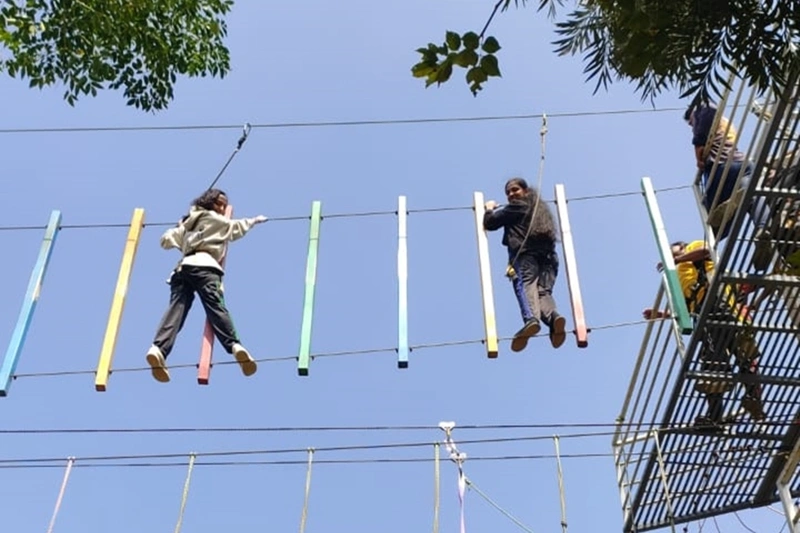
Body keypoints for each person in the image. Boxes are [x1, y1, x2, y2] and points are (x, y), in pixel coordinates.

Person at [145, 188, 268, 383]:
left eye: (224, 206)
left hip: (183, 268)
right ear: (210, 202)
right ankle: (235, 346)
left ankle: (158, 348)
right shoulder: (214, 218)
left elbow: (165, 241)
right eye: (220, 204)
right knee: (215, 306)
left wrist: (180, 227)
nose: (222, 208)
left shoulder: (189, 223)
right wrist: (254, 221)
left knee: (176, 310)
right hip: (205, 266)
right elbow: (235, 228)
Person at [643, 240, 765, 430]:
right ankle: (716, 417)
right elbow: (686, 309)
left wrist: (677, 260)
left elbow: (705, 250)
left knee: (737, 358)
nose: (670, 256)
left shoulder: (692, 248)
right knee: (714, 367)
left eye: (672, 252)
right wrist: (662, 314)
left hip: (718, 304)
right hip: (704, 315)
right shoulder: (679, 276)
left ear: (681, 247)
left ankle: (751, 399)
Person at [483, 177, 566, 352]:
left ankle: (531, 319)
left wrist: (489, 209)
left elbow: (490, 223)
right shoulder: (539, 210)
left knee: (525, 286)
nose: (511, 194)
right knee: (542, 292)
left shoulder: (517, 207)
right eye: (508, 192)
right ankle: (553, 319)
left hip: (526, 256)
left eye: (515, 190)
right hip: (549, 258)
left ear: (525, 191)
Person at [684, 103, 772, 269]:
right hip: (743, 165)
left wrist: (699, 157)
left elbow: (701, 133)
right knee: (752, 197)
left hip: (723, 167)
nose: (691, 127)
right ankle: (763, 229)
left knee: (713, 221)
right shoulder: (725, 122)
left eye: (690, 123)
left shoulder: (702, 109)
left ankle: (725, 212)